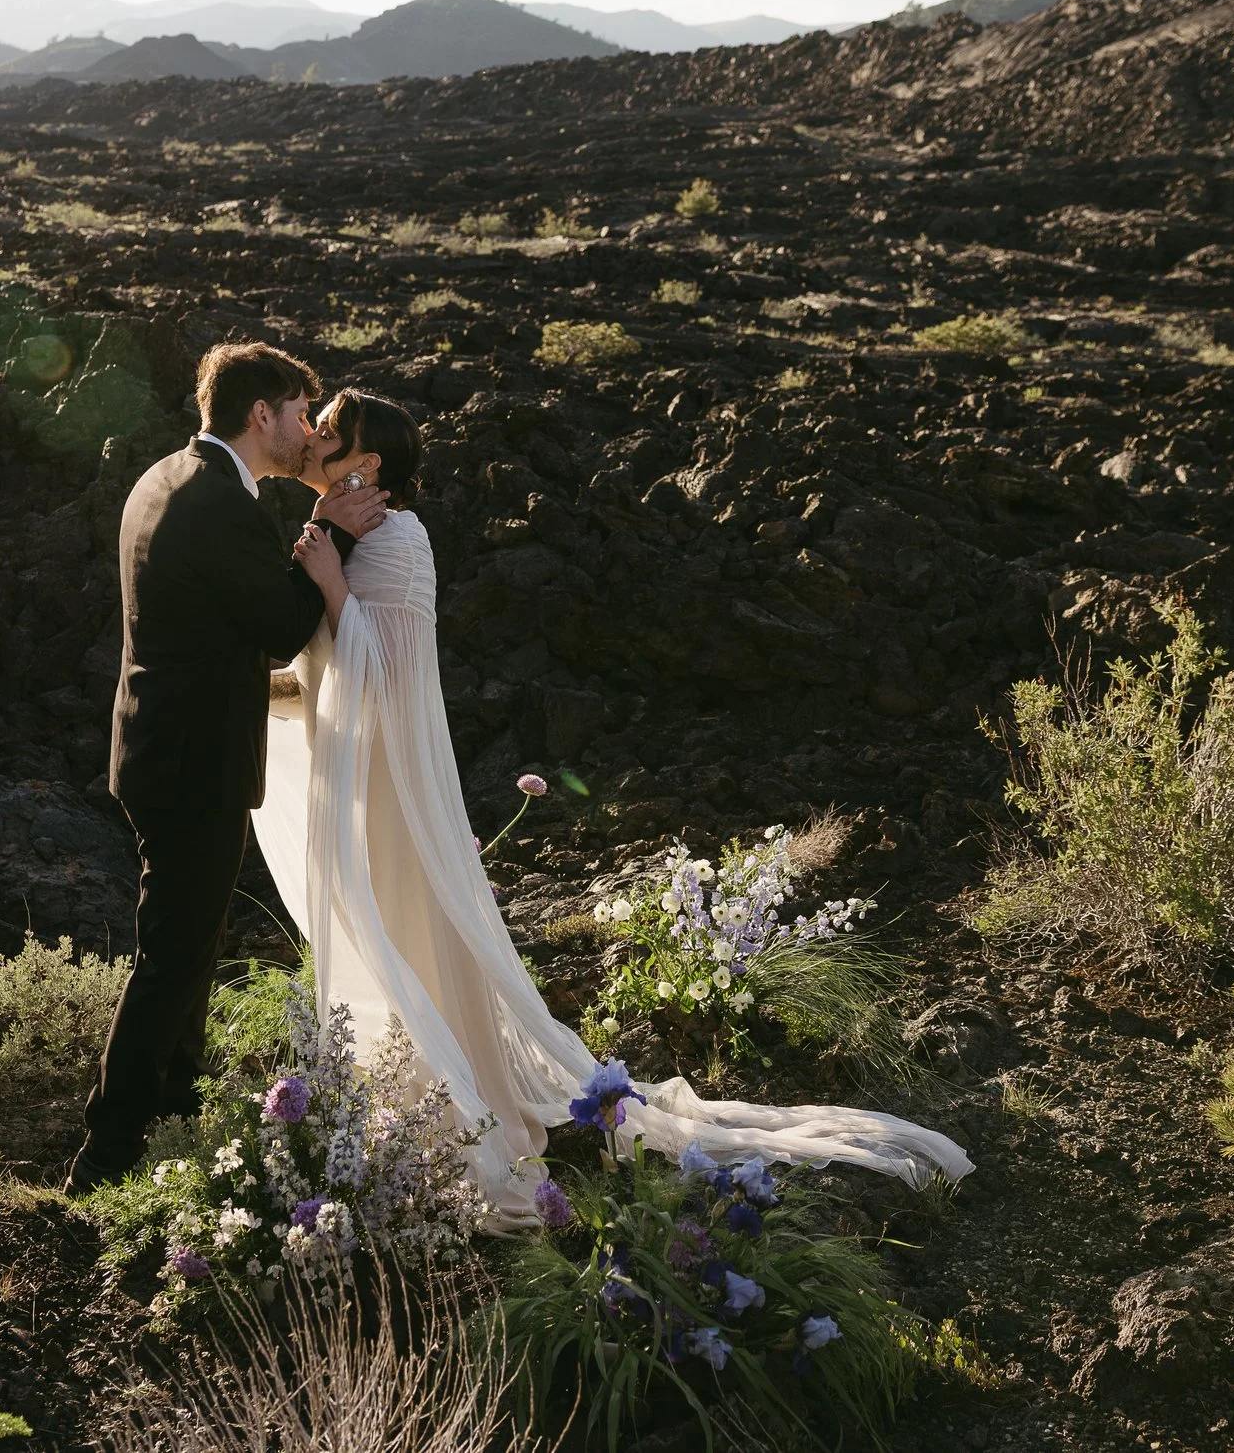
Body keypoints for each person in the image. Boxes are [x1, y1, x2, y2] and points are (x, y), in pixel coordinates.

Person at [257, 388, 972, 1224]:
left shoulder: (400, 538)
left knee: (409, 921)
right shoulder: (343, 533)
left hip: (394, 784)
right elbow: (329, 663)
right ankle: (407, 1093)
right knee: (383, 925)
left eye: (328, 434)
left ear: (366, 464)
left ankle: (454, 1100)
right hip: (358, 775)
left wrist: (330, 581)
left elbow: (397, 676)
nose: (309, 440)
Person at [65, 343, 390, 1195]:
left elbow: (208, 622)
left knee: (190, 944)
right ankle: (105, 1154)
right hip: (193, 764)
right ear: (263, 414)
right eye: (299, 417)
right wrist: (332, 537)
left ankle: (173, 1111)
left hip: (156, 750)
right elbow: (281, 622)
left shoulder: (163, 478)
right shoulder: (217, 505)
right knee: (173, 956)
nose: (307, 435)